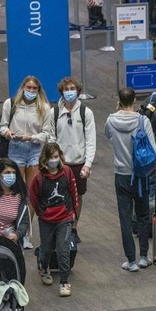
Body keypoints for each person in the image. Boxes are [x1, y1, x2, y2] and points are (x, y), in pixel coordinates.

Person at [105, 88, 156, 272]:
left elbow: (108, 136)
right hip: (141, 175)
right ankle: (144, 256)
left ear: (119, 100)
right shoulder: (143, 121)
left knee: (125, 218)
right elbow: (153, 147)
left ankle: (131, 260)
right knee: (143, 215)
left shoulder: (111, 121)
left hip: (121, 174)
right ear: (134, 100)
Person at [0, 75, 54, 250]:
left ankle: (26, 233)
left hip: (35, 149)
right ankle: (10, 228)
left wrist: (31, 137)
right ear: (22, 88)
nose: (30, 91)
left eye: (34, 89)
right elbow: (2, 126)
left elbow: (47, 133)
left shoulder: (45, 108)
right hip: (15, 148)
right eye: (28, 88)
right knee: (15, 191)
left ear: (38, 91)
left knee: (31, 194)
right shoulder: (11, 104)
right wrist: (7, 132)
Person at [28, 143, 79, 298]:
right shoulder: (39, 178)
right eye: (51, 157)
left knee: (63, 249)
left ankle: (64, 281)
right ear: (45, 159)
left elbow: (73, 191)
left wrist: (74, 212)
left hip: (64, 217)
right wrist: (41, 213)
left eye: (56, 156)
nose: (54, 160)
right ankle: (43, 267)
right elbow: (33, 197)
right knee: (46, 248)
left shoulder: (67, 172)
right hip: (46, 219)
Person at [51, 77, 96, 244]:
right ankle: (60, 226)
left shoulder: (86, 113)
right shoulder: (54, 113)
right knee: (59, 196)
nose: (70, 91)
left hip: (78, 163)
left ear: (78, 91)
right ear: (61, 91)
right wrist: (54, 160)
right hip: (60, 164)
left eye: (73, 88)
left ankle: (74, 228)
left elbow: (90, 140)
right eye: (66, 89)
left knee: (77, 197)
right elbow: (51, 138)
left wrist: (88, 164)